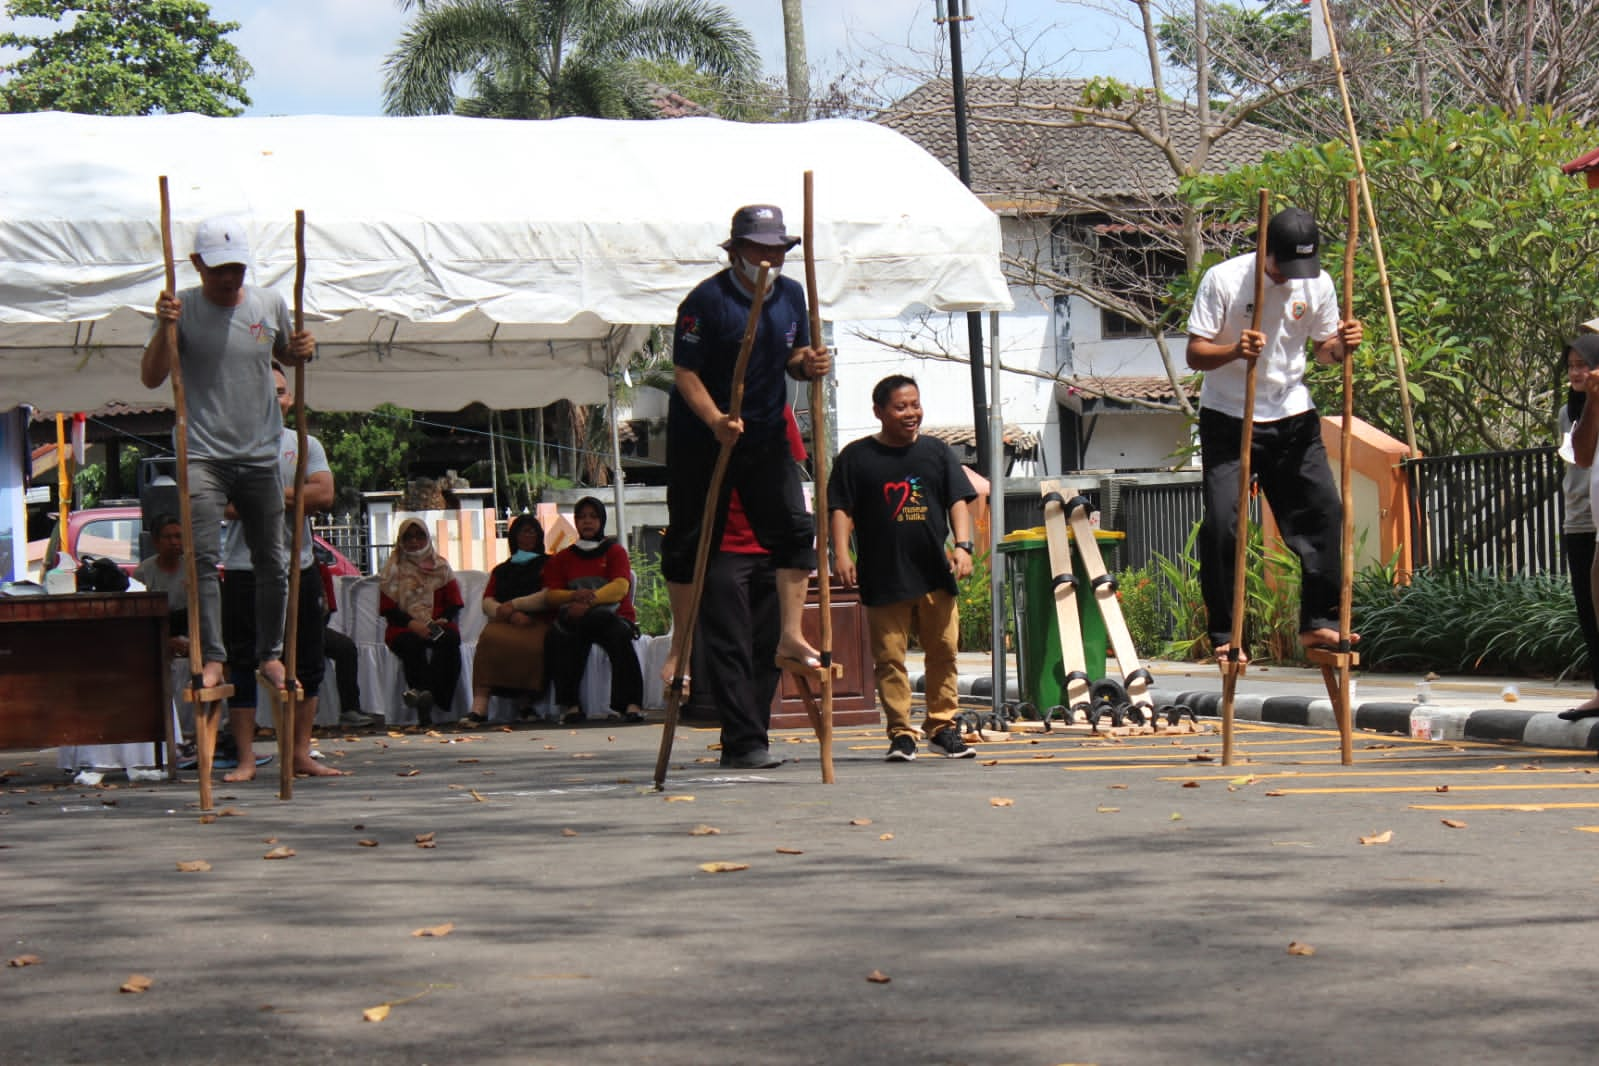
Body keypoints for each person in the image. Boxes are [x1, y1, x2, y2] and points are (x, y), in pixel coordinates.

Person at [140, 214, 316, 696]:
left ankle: (271, 654)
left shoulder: (269, 302)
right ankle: (213, 655)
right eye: (218, 268)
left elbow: (289, 353)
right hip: (203, 453)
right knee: (202, 558)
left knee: (274, 560)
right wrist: (164, 328)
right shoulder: (182, 308)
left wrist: (304, 347)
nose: (229, 276)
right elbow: (151, 376)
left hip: (261, 452)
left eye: (236, 267)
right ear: (197, 264)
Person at [660, 203, 831, 693]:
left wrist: (808, 365)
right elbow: (685, 372)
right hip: (703, 433)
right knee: (691, 540)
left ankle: (792, 634)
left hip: (762, 431)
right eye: (759, 248)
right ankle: (683, 645)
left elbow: (793, 357)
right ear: (736, 249)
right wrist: (715, 419)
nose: (768, 258)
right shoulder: (705, 301)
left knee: (796, 530)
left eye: (777, 249)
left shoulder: (792, 295)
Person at [1184, 206, 1363, 661]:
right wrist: (1233, 349)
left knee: (1325, 512)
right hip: (1230, 414)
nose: (1288, 277)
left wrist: (1343, 345)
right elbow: (1195, 354)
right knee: (1225, 524)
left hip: (1292, 413)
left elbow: (1324, 351)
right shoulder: (1224, 279)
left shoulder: (1316, 282)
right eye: (1283, 266)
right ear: (1265, 250)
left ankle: (1320, 623)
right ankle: (1226, 633)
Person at [830, 375, 978, 761]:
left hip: (934, 571)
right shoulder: (856, 457)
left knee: (944, 652)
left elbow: (959, 500)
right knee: (889, 659)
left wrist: (963, 546)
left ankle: (942, 727)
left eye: (915, 404)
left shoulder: (937, 452)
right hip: (883, 573)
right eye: (901, 407)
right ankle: (901, 733)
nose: (911, 413)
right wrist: (842, 554)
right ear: (879, 411)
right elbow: (841, 508)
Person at [218, 363, 345, 781]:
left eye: (281, 391)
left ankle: (299, 753)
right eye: (266, 391)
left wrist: (265, 498)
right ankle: (247, 757)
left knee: (307, 661)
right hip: (244, 569)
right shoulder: (231, 447)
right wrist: (291, 497)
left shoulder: (305, 444)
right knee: (243, 663)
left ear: (290, 398)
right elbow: (224, 504)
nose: (275, 398)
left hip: (299, 567)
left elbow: (323, 493)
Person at [688, 407, 809, 769]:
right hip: (723, 547)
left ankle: (750, 737)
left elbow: (793, 471)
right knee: (730, 647)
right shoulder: (704, 411)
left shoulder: (776, 410)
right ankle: (744, 742)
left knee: (768, 649)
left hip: (772, 549)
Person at [544, 497, 644, 724]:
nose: (587, 522)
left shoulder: (615, 551)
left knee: (617, 633)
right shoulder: (563, 558)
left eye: (593, 516)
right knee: (559, 636)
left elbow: (619, 587)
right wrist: (572, 597)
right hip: (576, 619)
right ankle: (570, 705)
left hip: (613, 617)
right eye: (582, 517)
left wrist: (587, 603)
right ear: (576, 522)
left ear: (601, 520)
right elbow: (551, 595)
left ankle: (631, 703)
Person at [466, 513, 555, 724]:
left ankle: (526, 703)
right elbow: (487, 601)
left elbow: (548, 594)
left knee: (531, 646)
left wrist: (518, 606)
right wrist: (507, 612)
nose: (527, 536)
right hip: (505, 621)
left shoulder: (549, 564)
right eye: (523, 531)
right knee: (489, 640)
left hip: (537, 621)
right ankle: (480, 706)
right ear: (514, 537)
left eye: (532, 531)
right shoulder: (501, 570)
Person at [380, 517, 465, 727]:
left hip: (435, 623)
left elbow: (454, 602)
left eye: (419, 536)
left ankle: (425, 695)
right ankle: (426, 696)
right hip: (403, 627)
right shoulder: (392, 569)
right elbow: (388, 609)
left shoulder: (441, 566)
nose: (414, 542)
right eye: (408, 537)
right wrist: (413, 624)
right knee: (411, 644)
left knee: (449, 639)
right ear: (400, 541)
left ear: (427, 538)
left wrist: (440, 619)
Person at [1559, 335, 1599, 720]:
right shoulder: (1569, 410)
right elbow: (1579, 459)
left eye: (1584, 363)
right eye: (1571, 365)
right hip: (1581, 519)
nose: (1577, 371)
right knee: (1589, 609)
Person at [131, 513, 189, 661]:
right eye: (168, 537)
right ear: (156, 541)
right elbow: (138, 621)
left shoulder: (192, 570)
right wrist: (165, 642)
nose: (174, 542)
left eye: (178, 536)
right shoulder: (143, 573)